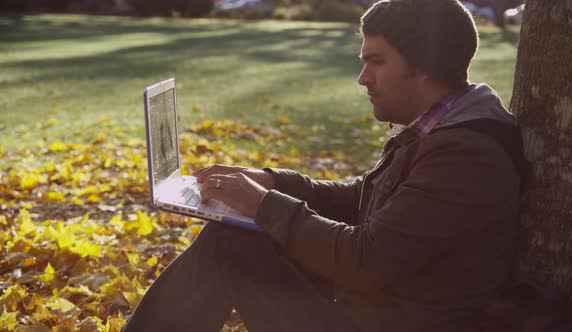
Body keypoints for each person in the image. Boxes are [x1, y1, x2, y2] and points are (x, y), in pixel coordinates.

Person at [121, 0, 527, 331]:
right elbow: (363, 198)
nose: (363, 78)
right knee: (233, 239)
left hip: (386, 318)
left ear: (424, 65)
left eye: (377, 61)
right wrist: (271, 181)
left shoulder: (466, 155)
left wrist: (264, 206)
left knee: (231, 243)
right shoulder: (440, 126)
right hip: (372, 308)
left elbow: (365, 261)